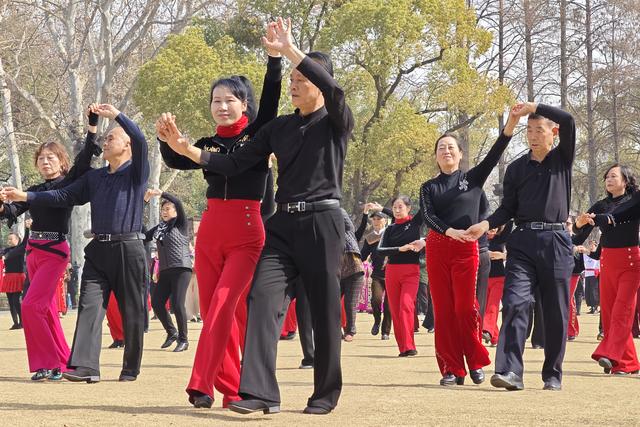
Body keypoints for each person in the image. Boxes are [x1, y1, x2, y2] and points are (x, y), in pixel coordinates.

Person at [160, 17, 353, 415]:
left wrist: (288, 52)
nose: (294, 86)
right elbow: (233, 163)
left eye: (302, 79)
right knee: (263, 301)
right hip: (282, 226)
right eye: (293, 79)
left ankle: (324, 394)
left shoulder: (336, 121)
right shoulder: (279, 128)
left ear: (317, 82)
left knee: (323, 311)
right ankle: (260, 393)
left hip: (323, 223)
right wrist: (186, 148)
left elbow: (335, 89)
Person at [157, 22, 282, 409]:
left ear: (244, 104)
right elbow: (178, 157)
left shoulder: (258, 136)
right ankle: (232, 389)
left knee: (226, 306)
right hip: (209, 232)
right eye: (216, 100)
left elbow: (272, 100)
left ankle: (200, 384)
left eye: (230, 100)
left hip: (247, 233)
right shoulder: (208, 142)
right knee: (215, 311)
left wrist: (274, 59)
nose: (222, 106)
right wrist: (167, 140)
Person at [4, 103, 150, 383]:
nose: (106, 142)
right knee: (89, 306)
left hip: (129, 249)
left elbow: (141, 140)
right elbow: (63, 196)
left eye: (112, 138)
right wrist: (26, 197)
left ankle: (130, 367)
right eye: (104, 139)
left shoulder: (137, 172)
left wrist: (116, 115)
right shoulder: (95, 177)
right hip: (97, 250)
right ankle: (84, 366)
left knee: (131, 311)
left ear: (127, 145)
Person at [465, 102, 576, 391]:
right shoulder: (515, 169)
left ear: (554, 133)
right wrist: (486, 224)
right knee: (514, 303)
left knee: (555, 312)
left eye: (540, 130)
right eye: (529, 130)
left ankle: (552, 374)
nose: (534, 135)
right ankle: (510, 371)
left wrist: (534, 106)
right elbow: (507, 209)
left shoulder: (562, 159)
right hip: (523, 242)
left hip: (556, 242)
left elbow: (569, 120)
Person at [408, 105, 518, 386]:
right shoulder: (428, 187)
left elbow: (496, 151)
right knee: (443, 311)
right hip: (438, 248)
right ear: (436, 156)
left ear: (459, 154)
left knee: (466, 309)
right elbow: (428, 217)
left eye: (450, 147)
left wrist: (512, 121)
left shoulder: (472, 179)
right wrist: (449, 231)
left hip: (467, 250)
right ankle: (451, 368)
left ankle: (476, 361)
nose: (446, 151)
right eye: (441, 148)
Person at [574, 163, 640, 374]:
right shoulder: (601, 205)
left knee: (623, 310)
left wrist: (602, 220)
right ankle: (627, 363)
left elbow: (620, 215)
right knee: (611, 314)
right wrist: (578, 224)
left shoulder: (635, 199)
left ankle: (609, 354)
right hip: (607, 262)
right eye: (606, 177)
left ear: (626, 181)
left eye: (613, 176)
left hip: (631, 262)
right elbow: (579, 235)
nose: (608, 180)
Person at [144, 190, 192, 352]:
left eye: (168, 209)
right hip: (165, 271)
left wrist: (162, 193)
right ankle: (172, 332)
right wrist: (144, 202)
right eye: (163, 210)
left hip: (181, 269)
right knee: (157, 303)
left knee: (178, 304)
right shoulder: (159, 228)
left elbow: (177, 202)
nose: (164, 212)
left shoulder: (181, 223)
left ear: (175, 211)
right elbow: (143, 236)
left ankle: (184, 340)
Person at [375, 196, 423, 357]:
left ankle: (410, 345)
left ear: (409, 208)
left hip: (411, 271)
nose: (396, 210)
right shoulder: (389, 229)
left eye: (400, 207)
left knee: (406, 306)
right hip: (392, 272)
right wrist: (399, 249)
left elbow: (426, 205)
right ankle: (403, 347)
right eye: (394, 207)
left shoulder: (415, 223)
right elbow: (380, 250)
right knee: (395, 310)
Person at [357, 206, 392, 340]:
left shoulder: (391, 232)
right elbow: (364, 254)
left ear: (385, 221)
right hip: (377, 274)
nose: (376, 221)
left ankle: (386, 332)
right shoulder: (370, 238)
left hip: (391, 273)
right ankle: (377, 321)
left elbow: (395, 216)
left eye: (379, 219)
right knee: (376, 301)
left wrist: (382, 208)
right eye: (374, 219)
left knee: (389, 306)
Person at [482, 221, 513, 347]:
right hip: (483, 279)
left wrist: (502, 255)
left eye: (496, 227)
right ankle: (495, 338)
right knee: (483, 308)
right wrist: (488, 254)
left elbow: (509, 223)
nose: (493, 230)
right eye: (491, 227)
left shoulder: (500, 239)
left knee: (492, 306)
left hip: (499, 278)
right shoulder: (481, 240)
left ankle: (487, 330)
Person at [340, 208, 365, 342]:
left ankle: (350, 330)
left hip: (354, 271)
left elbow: (343, 215)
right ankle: (335, 330)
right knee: (331, 303)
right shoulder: (327, 237)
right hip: (336, 273)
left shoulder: (348, 233)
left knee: (350, 303)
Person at [1, 227, 29, 330]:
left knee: (16, 300)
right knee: (10, 301)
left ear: (17, 240)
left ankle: (22, 322)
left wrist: (27, 229)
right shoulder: (5, 250)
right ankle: (15, 323)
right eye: (8, 239)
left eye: (11, 239)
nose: (9, 241)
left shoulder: (20, 249)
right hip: (8, 277)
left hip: (17, 276)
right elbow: (3, 254)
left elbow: (26, 241)